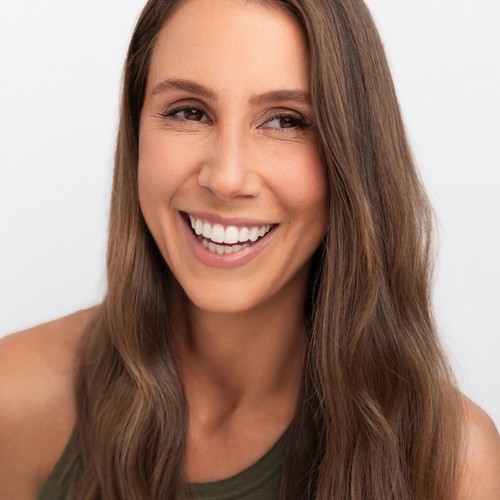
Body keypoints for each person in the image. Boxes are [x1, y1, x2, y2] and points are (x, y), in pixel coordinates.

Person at [0, 0, 499, 498]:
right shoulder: (14, 397)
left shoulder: (455, 464)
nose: (227, 178)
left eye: (285, 121)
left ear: (355, 153)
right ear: (136, 132)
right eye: (189, 112)